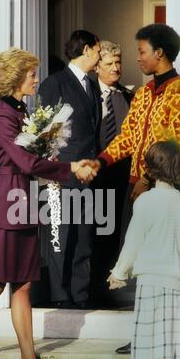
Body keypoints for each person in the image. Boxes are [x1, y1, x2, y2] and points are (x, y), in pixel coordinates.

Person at [0, 47, 96, 359]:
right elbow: (25, 161)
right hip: (4, 199)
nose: (36, 79)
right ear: (15, 78)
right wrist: (69, 166)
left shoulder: (19, 109)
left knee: (24, 285)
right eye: (31, 74)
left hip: (23, 198)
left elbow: (30, 158)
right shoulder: (2, 114)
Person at [89, 23, 180, 353]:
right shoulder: (142, 94)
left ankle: (170, 338)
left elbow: (176, 145)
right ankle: (145, 335)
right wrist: (100, 161)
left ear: (159, 53)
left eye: (142, 52)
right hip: (138, 190)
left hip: (167, 192)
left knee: (168, 268)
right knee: (144, 267)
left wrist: (147, 180)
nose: (138, 59)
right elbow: (127, 138)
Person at [107, 141, 180, 359]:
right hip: (175, 284)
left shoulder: (146, 202)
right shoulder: (179, 202)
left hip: (153, 283)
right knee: (174, 347)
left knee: (156, 347)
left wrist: (119, 272)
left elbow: (133, 242)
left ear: (150, 169)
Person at [34, 30, 102, 309]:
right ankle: (62, 296)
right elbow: (46, 133)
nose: (99, 56)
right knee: (60, 235)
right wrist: (55, 173)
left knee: (84, 237)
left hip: (88, 175)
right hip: (63, 175)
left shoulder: (93, 85)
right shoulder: (55, 83)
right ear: (86, 50)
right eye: (98, 50)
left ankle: (80, 294)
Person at [90, 40, 134, 307]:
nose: (116, 68)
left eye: (118, 62)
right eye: (109, 64)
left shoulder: (128, 96)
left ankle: (112, 290)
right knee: (94, 235)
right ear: (97, 66)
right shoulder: (88, 95)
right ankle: (93, 290)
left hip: (120, 179)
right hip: (93, 177)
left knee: (117, 233)